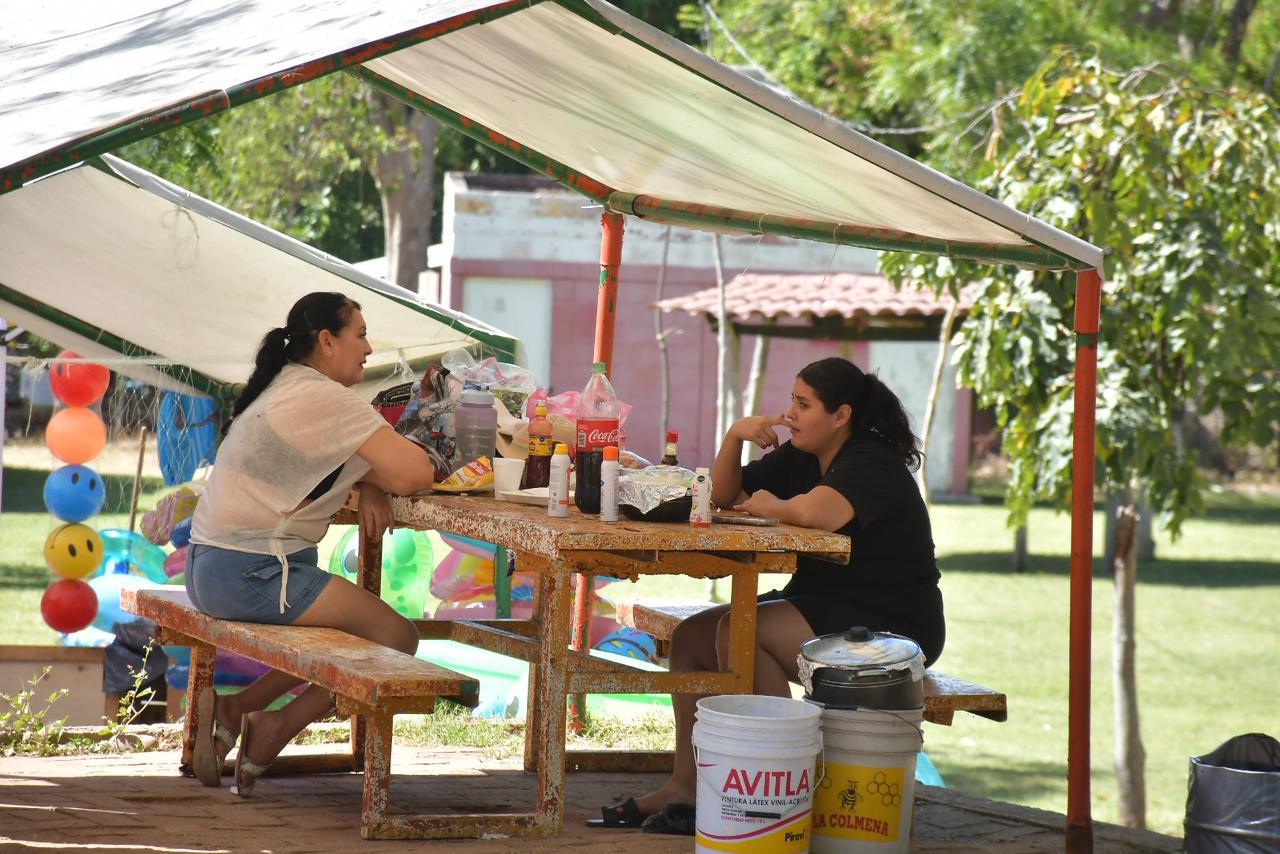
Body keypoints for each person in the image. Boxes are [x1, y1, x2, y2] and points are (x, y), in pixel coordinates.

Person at [588, 356, 945, 833]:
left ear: (841, 415)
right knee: (694, 637)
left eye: (803, 404)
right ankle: (688, 790)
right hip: (823, 603)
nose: (789, 414)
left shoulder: (870, 461)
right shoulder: (803, 453)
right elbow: (722, 493)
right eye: (790, 401)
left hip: (891, 624)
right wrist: (735, 436)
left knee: (739, 632)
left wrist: (775, 508)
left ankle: (769, 794)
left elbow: (817, 514)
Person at [185, 291, 437, 797]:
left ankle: (238, 708)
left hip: (211, 567)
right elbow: (415, 474)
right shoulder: (326, 397)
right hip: (249, 572)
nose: (368, 349)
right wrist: (388, 476)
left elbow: (351, 460)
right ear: (327, 341)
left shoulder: (287, 383)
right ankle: (275, 727)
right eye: (360, 335)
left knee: (358, 628)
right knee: (396, 637)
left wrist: (368, 483)